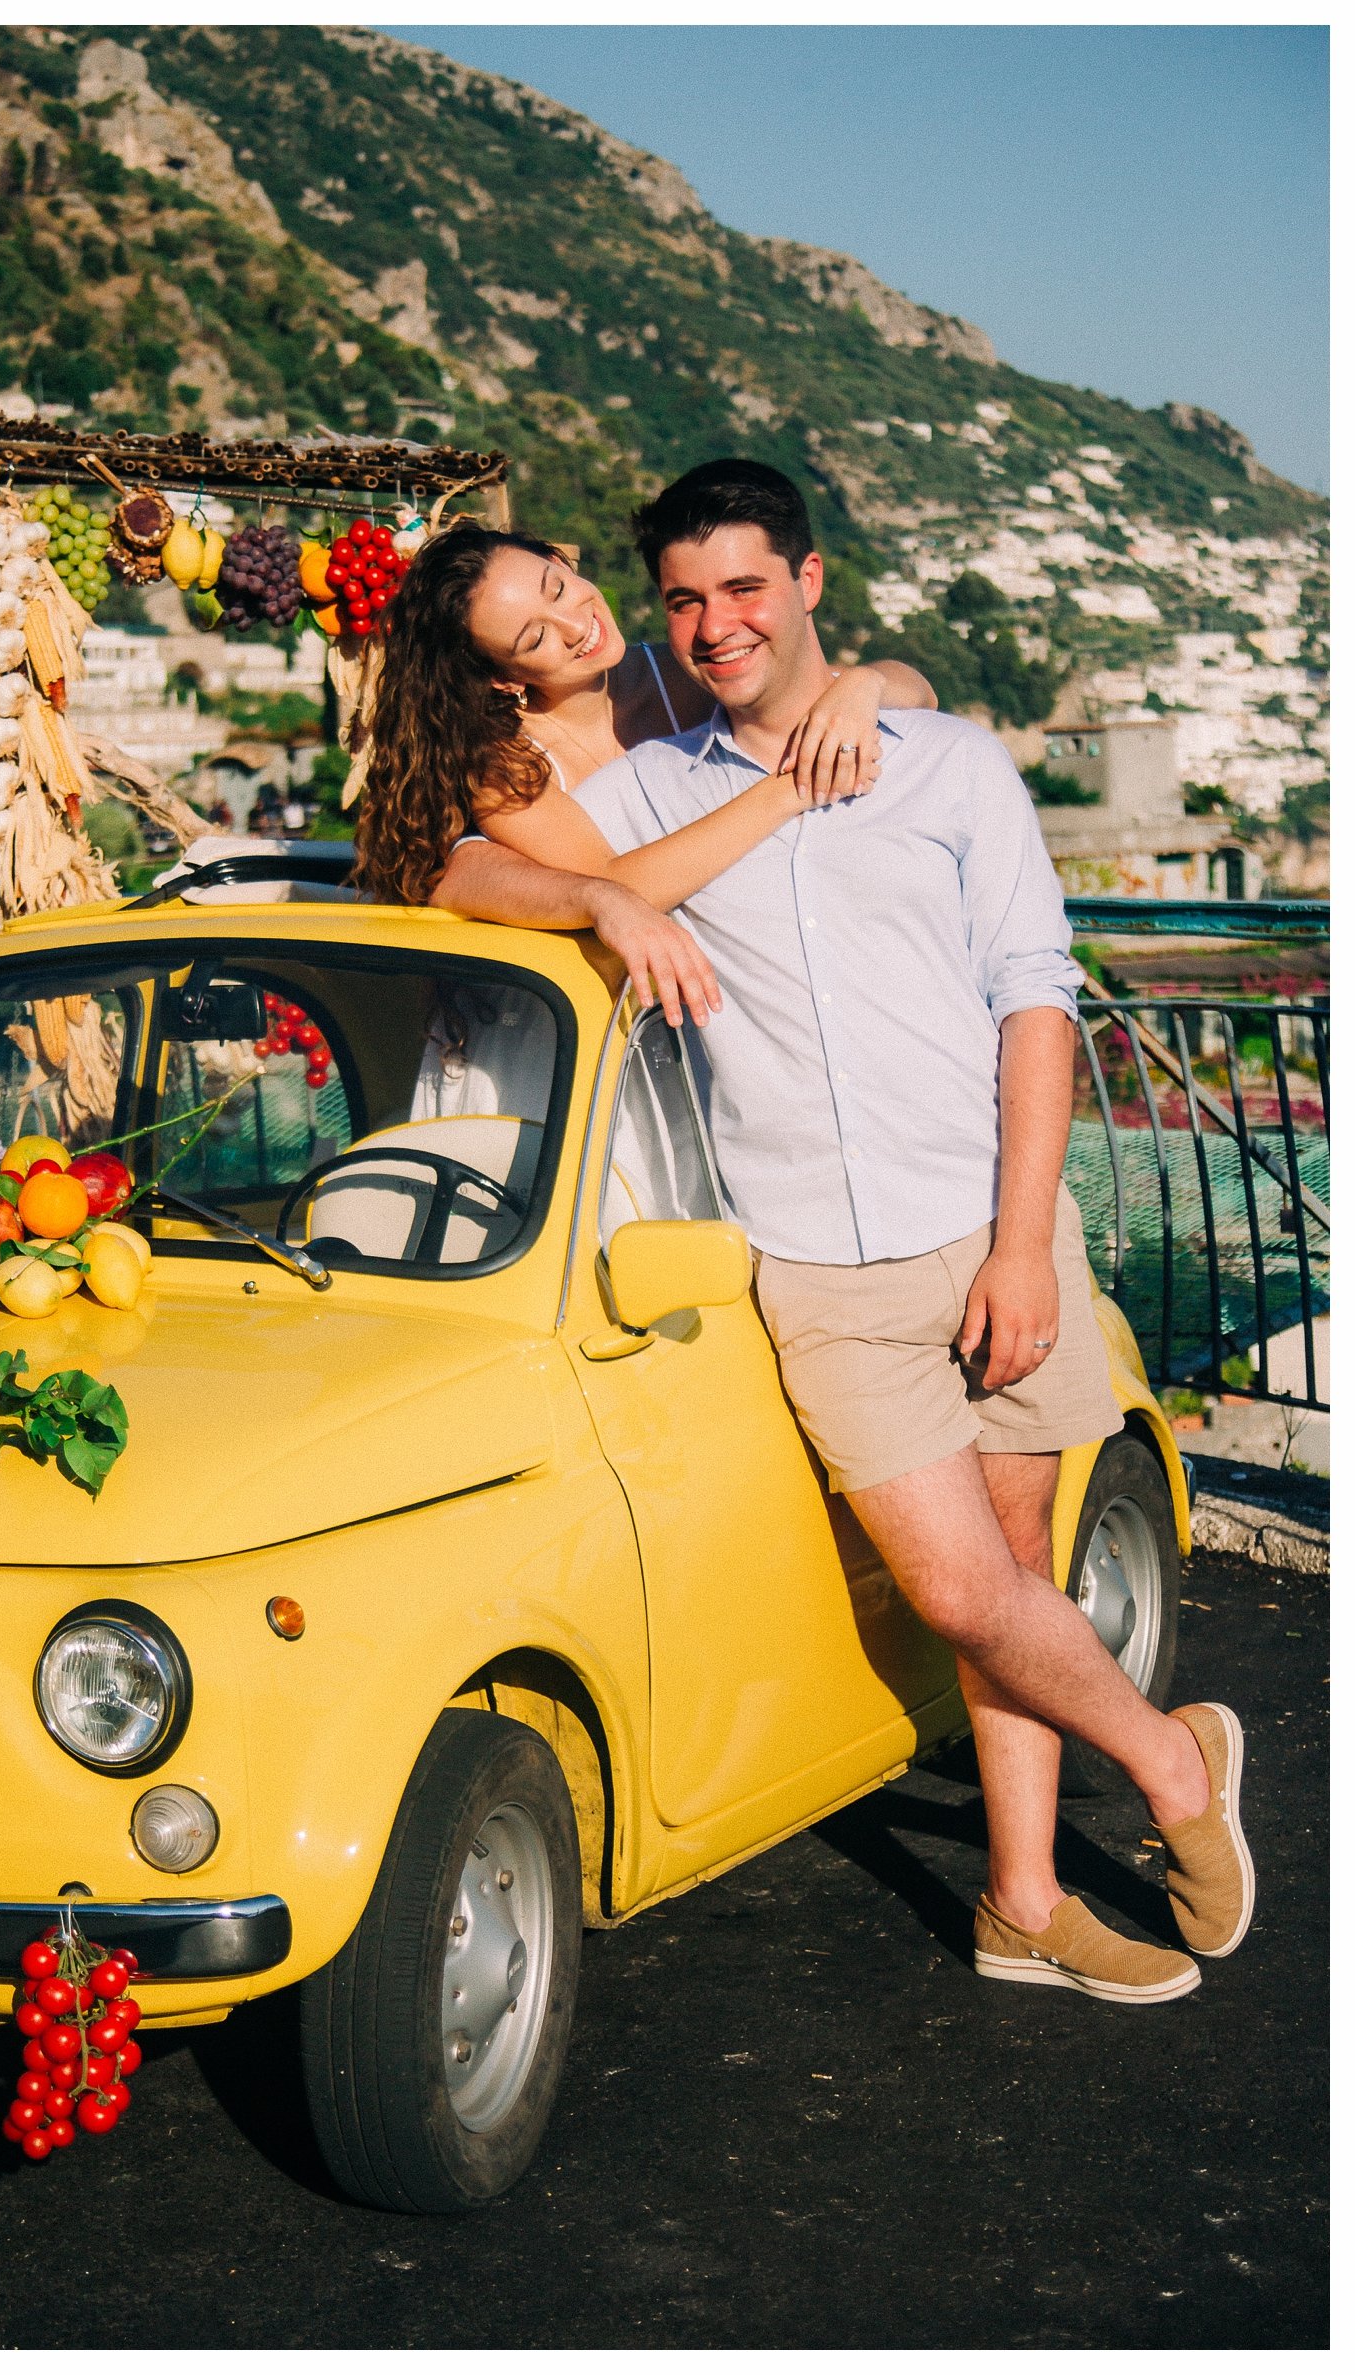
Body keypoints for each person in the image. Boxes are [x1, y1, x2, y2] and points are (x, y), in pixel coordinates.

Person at [433, 460, 1253, 2005]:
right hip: (819, 1258)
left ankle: (1020, 1899)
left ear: (808, 583)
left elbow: (1034, 996)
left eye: (745, 588)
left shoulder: (945, 762)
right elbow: (461, 864)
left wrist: (1023, 1244)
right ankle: (1173, 1756)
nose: (712, 621)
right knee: (963, 1595)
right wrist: (604, 907)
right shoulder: (658, 798)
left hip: (994, 1224)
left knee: (1020, 1565)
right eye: (687, 598)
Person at [353, 523, 938, 1039]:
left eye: (557, 588)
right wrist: (789, 789)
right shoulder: (499, 761)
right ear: (503, 678)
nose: (575, 623)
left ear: (562, 564)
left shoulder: (682, 673)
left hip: (712, 1003)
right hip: (585, 1028)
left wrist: (862, 685)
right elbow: (617, 882)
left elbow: (920, 693)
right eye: (534, 639)